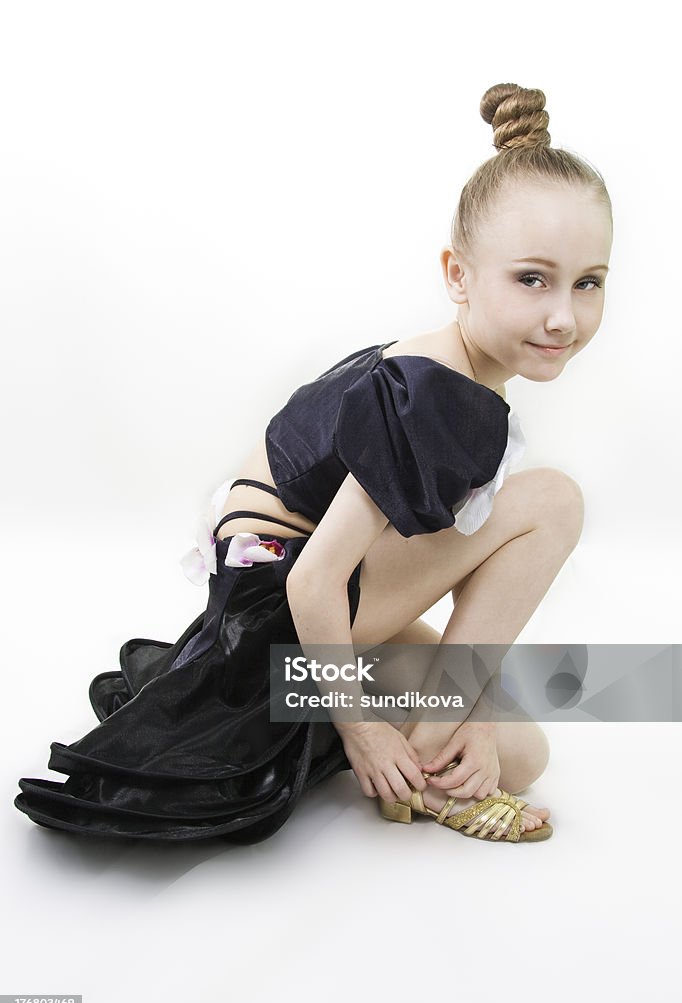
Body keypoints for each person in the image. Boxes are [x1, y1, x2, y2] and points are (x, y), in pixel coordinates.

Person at [14, 81, 612, 845]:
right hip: (280, 607)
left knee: (521, 750)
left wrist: (473, 707)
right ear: (458, 275)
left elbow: (436, 579)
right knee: (553, 501)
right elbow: (312, 576)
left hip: (288, 610)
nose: (563, 315)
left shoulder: (446, 373)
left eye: (588, 283)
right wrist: (362, 729)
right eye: (533, 278)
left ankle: (379, 740)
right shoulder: (436, 393)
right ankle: (393, 749)